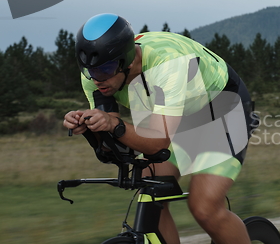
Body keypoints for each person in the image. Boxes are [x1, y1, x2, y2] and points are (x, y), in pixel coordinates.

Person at [63, 13, 257, 244]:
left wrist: (114, 124)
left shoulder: (169, 66)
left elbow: (156, 142)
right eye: (89, 71)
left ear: (128, 60)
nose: (96, 79)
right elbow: (113, 140)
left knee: (204, 207)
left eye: (104, 70)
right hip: (173, 112)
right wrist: (90, 128)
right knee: (150, 191)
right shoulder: (95, 73)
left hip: (223, 109)